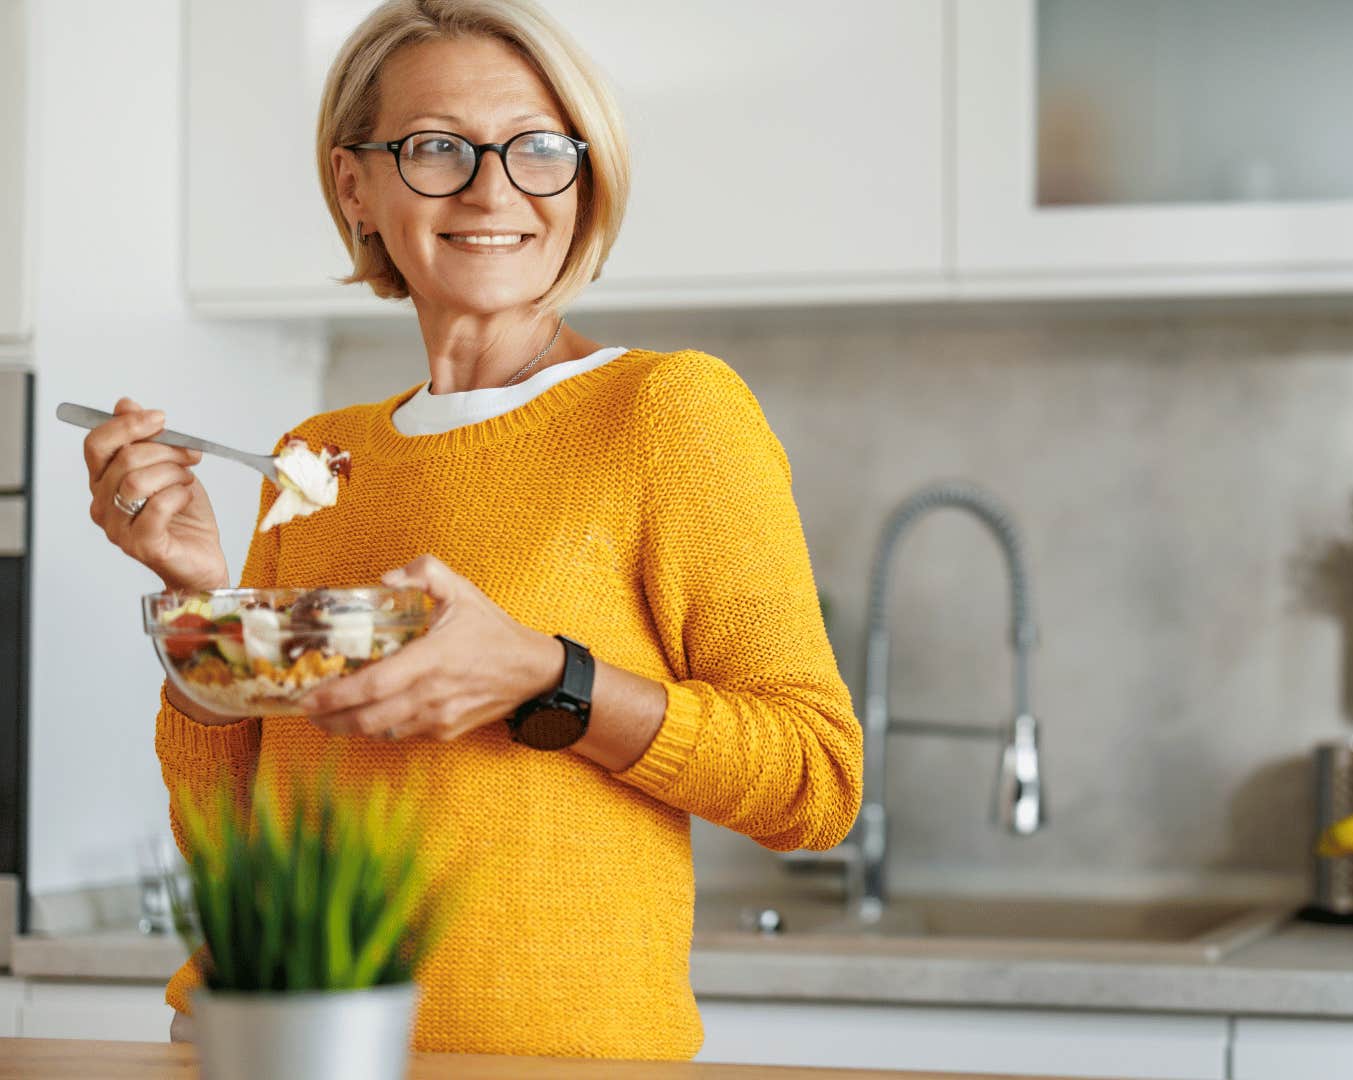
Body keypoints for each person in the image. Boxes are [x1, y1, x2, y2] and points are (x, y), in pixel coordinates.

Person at [79, 0, 861, 1059]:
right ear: (357, 185)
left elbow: (815, 783)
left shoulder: (667, 412)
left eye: (539, 148)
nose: (494, 189)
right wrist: (196, 599)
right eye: (437, 147)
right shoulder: (318, 459)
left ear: (584, 178)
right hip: (264, 1044)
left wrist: (550, 680)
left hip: (545, 1059)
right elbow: (232, 843)